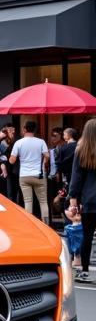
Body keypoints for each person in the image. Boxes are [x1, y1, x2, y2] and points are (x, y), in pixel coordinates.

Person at [67, 120, 96, 281]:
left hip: (89, 199)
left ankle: (84, 270)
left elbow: (76, 177)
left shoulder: (81, 150)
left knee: (87, 235)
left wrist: (73, 199)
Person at [9, 120, 50, 225]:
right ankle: (46, 224)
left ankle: (30, 225)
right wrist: (43, 164)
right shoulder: (41, 142)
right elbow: (47, 156)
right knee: (43, 201)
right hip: (39, 175)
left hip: (24, 175)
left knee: (28, 201)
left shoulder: (19, 143)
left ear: (24, 129)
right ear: (35, 130)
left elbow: (12, 161)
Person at [0, 123, 21, 204]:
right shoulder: (3, 142)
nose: (12, 131)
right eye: (10, 130)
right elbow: (1, 155)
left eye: (13, 129)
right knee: (10, 190)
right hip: (8, 168)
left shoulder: (17, 140)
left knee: (17, 189)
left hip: (17, 168)